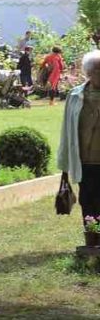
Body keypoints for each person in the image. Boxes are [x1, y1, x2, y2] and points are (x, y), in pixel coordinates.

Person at [58, 50, 100, 225]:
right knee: (87, 201)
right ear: (89, 73)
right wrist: (64, 165)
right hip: (84, 161)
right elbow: (66, 130)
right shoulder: (75, 96)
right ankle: (92, 240)